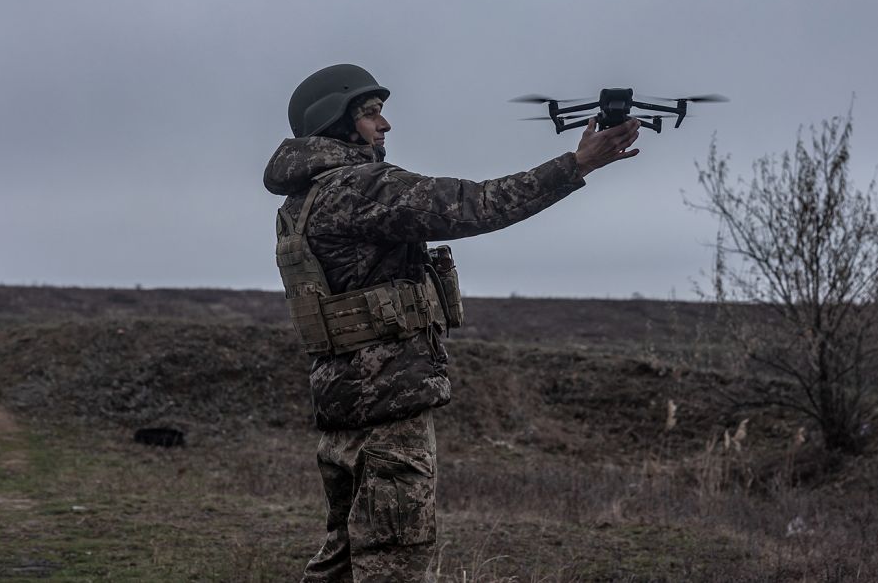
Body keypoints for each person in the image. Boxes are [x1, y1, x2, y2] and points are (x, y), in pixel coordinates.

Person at [263, 64, 641, 582]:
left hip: (341, 403)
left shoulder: (300, 203)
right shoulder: (360, 189)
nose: (386, 125)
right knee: (393, 561)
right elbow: (476, 205)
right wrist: (576, 165)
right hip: (387, 407)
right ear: (338, 123)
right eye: (372, 115)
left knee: (343, 561)